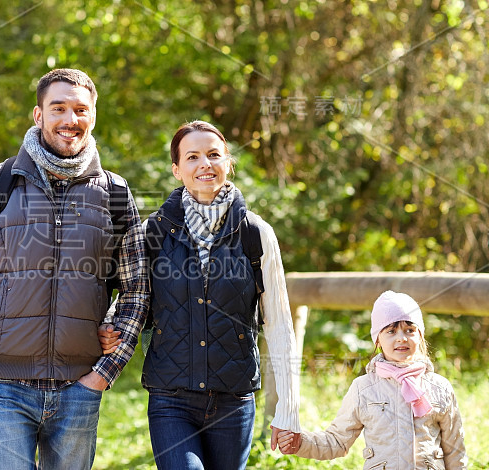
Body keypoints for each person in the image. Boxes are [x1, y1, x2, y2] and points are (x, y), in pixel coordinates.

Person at [0, 68, 149, 469]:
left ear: (93, 116)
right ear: (38, 115)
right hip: (4, 389)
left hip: (80, 388)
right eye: (59, 108)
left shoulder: (116, 194)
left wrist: (105, 370)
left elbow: (137, 290)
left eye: (81, 109)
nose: (71, 119)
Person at [100, 120, 301, 469]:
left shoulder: (256, 233)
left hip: (233, 400)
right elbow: (131, 296)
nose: (204, 164)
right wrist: (108, 324)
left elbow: (280, 324)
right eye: (192, 157)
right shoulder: (154, 232)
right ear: (177, 170)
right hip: (170, 398)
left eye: (213, 154)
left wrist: (289, 409)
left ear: (228, 163)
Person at [276, 290, 468, 469]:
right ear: (378, 340)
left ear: (420, 336)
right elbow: (337, 441)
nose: (401, 338)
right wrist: (300, 442)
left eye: (409, 330)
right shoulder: (364, 389)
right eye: (391, 331)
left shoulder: (439, 388)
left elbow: (455, 449)